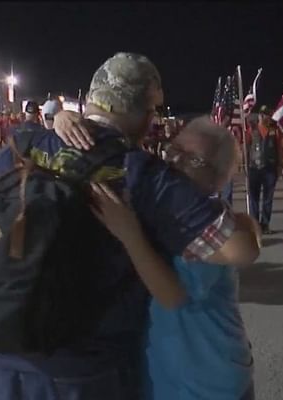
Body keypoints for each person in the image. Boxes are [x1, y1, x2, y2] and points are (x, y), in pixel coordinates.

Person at [0, 52, 260, 400]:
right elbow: (240, 249)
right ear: (142, 113)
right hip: (86, 371)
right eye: (151, 111)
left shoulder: (17, 149)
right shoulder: (144, 174)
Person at [91, 117, 257, 400]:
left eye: (191, 160)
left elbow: (171, 295)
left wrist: (129, 233)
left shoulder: (204, 226)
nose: (173, 163)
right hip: (178, 374)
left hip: (205, 382)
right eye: (173, 150)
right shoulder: (167, 210)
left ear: (218, 179)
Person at [246, 105, 283, 235]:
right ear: (259, 115)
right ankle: (255, 225)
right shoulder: (252, 129)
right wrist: (244, 165)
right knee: (253, 198)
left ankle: (265, 224)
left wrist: (281, 166)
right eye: (262, 114)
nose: (264, 117)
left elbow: (280, 149)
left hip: (270, 169)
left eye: (267, 114)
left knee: (268, 198)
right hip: (254, 168)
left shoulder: (275, 130)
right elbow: (246, 147)